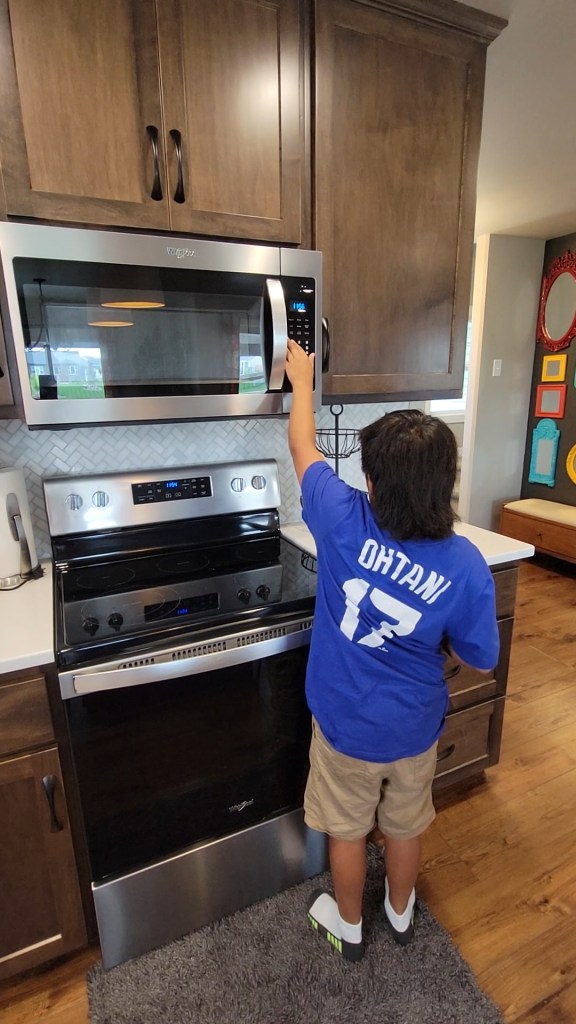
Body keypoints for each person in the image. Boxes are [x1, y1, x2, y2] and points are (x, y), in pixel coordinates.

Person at [284, 338, 500, 963]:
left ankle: (348, 926)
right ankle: (400, 913)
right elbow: (480, 658)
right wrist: (442, 652)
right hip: (414, 728)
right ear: (445, 485)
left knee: (347, 830)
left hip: (345, 725)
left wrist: (303, 384)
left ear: (371, 482)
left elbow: (303, 447)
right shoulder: (464, 565)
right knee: (406, 824)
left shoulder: (340, 515)